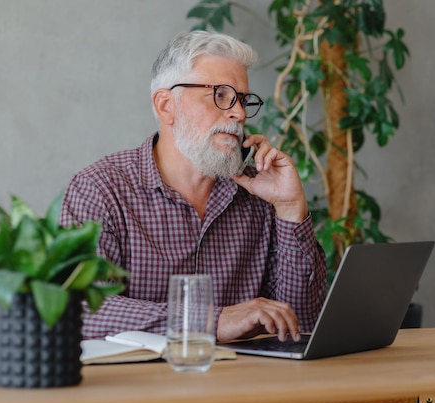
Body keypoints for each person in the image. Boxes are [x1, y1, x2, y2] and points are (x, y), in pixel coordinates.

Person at [60, 31, 327, 343]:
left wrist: (290, 207)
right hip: (142, 387)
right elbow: (79, 308)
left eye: (241, 100)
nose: (239, 114)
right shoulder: (100, 190)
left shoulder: (260, 193)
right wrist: (210, 321)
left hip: (247, 386)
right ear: (166, 106)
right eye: (221, 95)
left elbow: (302, 322)